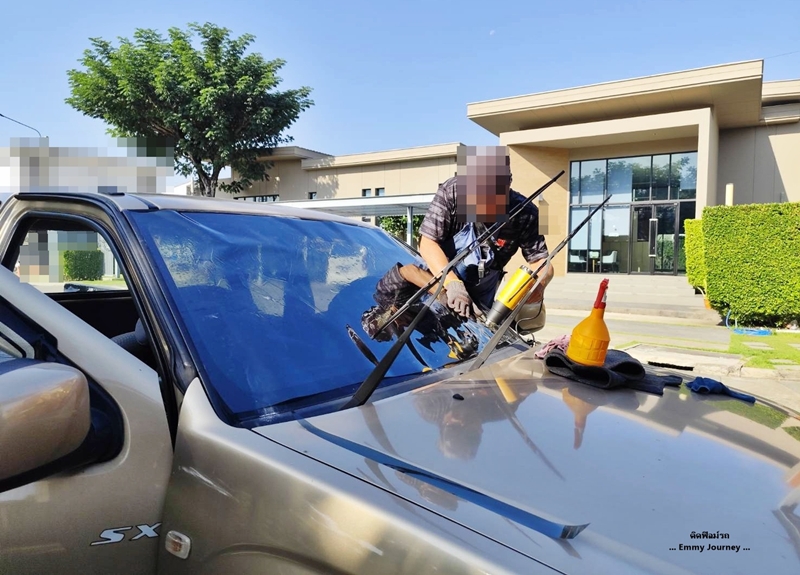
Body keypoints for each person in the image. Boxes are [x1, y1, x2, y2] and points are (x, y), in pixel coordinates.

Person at [418, 145, 553, 326]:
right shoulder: (452, 192)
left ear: (508, 183)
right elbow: (428, 243)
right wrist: (452, 284)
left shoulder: (526, 213)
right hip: (438, 282)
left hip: (483, 295)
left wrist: (538, 284)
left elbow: (541, 261)